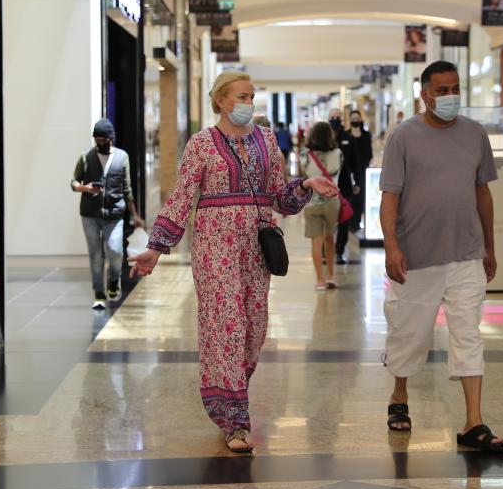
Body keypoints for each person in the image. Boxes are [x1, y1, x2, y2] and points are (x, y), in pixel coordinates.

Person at [128, 71, 337, 453]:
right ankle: (235, 420)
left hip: (256, 248)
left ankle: (231, 393)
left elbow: (280, 197)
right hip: (214, 249)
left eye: (251, 96)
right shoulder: (202, 144)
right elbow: (181, 197)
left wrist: (306, 185)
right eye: (242, 96)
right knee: (227, 326)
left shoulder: (266, 140)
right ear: (221, 101)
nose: (248, 103)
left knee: (254, 329)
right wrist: (156, 247)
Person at [379, 60, 503, 452]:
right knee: (408, 333)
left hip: (465, 252)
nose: (450, 97)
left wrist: (489, 244)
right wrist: (391, 246)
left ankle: (474, 422)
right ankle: (399, 393)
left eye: (455, 89)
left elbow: (482, 192)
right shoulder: (403, 136)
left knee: (468, 333)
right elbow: (390, 197)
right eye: (442, 90)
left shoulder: (475, 134)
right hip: (416, 255)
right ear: (425, 94)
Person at [72, 119, 144, 309]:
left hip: (114, 214)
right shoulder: (86, 157)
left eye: (103, 139)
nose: (99, 143)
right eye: (96, 139)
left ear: (110, 139)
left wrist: (135, 215)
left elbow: (127, 188)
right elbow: (73, 182)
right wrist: (85, 188)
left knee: (115, 250)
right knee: (95, 255)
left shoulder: (122, 157)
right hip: (89, 214)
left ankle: (113, 280)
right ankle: (98, 292)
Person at [302, 121, 342, 291]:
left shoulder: (306, 154)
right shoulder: (338, 153)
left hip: (311, 201)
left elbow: (303, 174)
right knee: (330, 238)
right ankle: (331, 276)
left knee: (316, 241)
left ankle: (320, 280)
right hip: (332, 200)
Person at [335, 108, 373, 264]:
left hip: (360, 172)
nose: (356, 120)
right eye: (353, 117)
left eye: (358, 117)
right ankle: (350, 224)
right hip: (343, 177)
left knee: (359, 200)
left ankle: (355, 222)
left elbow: (367, 153)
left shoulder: (363, 135)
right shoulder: (345, 136)